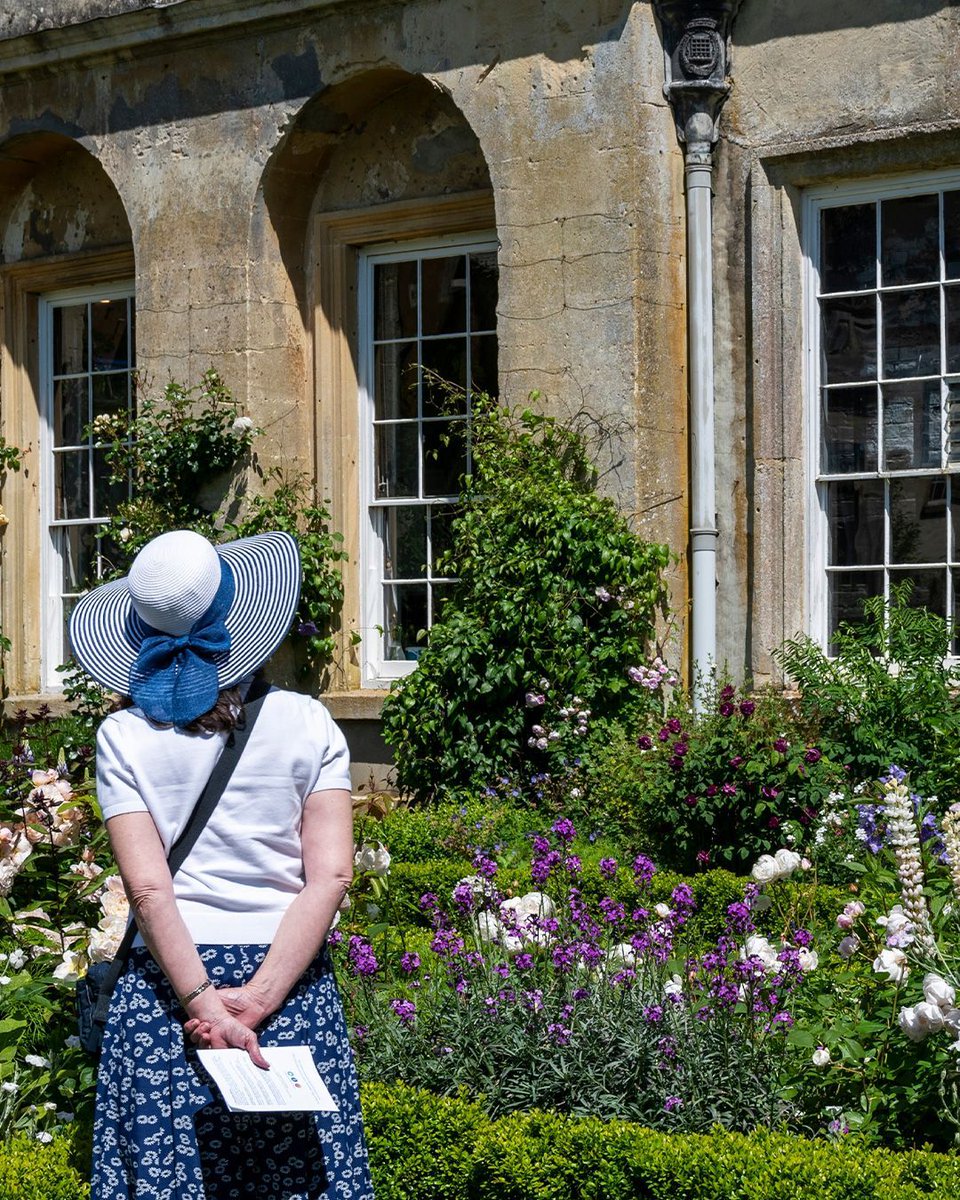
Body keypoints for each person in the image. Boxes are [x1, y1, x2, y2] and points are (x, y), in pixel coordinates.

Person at [69, 528, 374, 1200]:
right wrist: (258, 1000)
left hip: (169, 1000)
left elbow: (148, 890)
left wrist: (207, 1004)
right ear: (239, 621)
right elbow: (331, 876)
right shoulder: (309, 722)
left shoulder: (121, 737)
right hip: (286, 993)